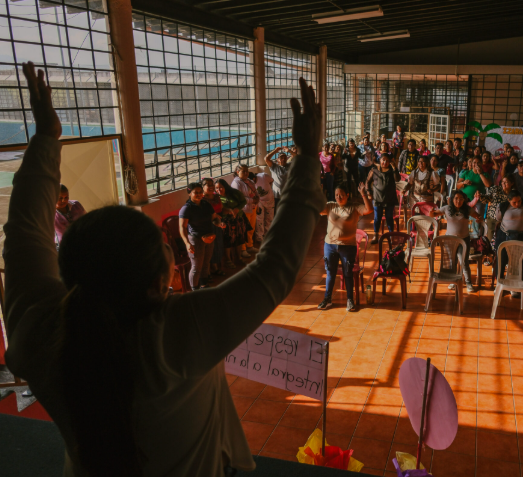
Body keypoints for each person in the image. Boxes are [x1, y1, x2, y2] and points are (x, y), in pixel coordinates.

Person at [5, 66, 326, 476]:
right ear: (160, 282)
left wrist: (45, 139)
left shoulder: (40, 333)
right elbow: (277, 267)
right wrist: (308, 156)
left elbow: (24, 235)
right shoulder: (177, 336)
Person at [319, 183, 373, 311]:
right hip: (330, 245)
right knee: (330, 272)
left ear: (348, 195)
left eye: (342, 195)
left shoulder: (354, 207)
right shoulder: (331, 206)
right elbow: (318, 209)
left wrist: (363, 194)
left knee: (348, 273)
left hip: (348, 247)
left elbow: (369, 209)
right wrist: (319, 193)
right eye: (336, 195)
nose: (339, 197)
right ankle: (327, 299)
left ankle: (350, 300)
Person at [429, 190, 481, 293]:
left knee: (464, 262)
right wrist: (431, 212)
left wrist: (479, 219)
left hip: (463, 240)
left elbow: (478, 217)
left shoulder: (467, 209)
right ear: (452, 199)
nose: (458, 201)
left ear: (464, 200)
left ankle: (468, 282)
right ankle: (453, 280)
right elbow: (433, 214)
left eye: (461, 199)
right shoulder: (447, 209)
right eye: (456, 198)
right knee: (452, 261)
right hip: (450, 240)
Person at [179, 182, 224, 291]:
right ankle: (194, 290)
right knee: (196, 267)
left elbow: (214, 218)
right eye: (196, 192)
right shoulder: (187, 208)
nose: (199, 194)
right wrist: (187, 243)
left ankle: (204, 286)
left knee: (205, 264)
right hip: (195, 239)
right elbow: (182, 227)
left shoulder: (206, 204)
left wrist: (219, 223)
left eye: (200, 192)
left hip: (209, 237)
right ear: (189, 193)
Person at [493, 191, 523, 287]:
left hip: (521, 235)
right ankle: (499, 283)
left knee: (518, 260)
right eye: (514, 202)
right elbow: (498, 218)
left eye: (519, 201)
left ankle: (515, 283)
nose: (517, 204)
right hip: (505, 235)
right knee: (502, 259)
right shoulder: (503, 206)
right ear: (508, 200)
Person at [365, 153, 398, 245]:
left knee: (389, 218)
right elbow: (367, 181)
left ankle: (391, 236)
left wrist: (395, 168)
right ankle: (376, 235)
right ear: (380, 160)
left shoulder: (392, 170)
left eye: (387, 160)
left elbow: (397, 179)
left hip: (390, 198)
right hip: (377, 198)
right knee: (377, 218)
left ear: (390, 161)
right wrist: (368, 192)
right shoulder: (374, 170)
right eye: (383, 160)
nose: (385, 162)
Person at [477, 175, 515, 242]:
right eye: (502, 182)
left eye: (506, 182)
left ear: (512, 183)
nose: (503, 183)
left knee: (501, 240)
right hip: (492, 217)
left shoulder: (513, 194)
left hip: (505, 221)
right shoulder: (495, 189)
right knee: (490, 239)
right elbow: (487, 199)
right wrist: (480, 196)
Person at [232, 163, 259, 255]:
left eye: (247, 171)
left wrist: (257, 201)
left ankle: (250, 246)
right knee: (243, 230)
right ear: (237, 172)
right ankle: (243, 249)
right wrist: (252, 200)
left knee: (251, 229)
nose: (246, 173)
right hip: (244, 210)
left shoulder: (249, 181)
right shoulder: (236, 183)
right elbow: (240, 198)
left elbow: (255, 192)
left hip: (253, 208)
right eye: (243, 171)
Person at [201, 177, 226, 277]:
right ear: (202, 187)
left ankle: (215, 268)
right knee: (208, 249)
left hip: (218, 224)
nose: (211, 187)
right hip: (208, 226)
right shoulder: (201, 200)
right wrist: (214, 217)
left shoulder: (216, 197)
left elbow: (221, 209)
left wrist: (229, 210)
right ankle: (207, 272)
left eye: (212, 184)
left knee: (217, 246)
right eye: (208, 185)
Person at [252, 170, 274, 243]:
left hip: (270, 200)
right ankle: (259, 237)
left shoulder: (263, 176)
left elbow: (271, 180)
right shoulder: (249, 184)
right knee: (259, 219)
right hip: (259, 202)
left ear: (254, 178)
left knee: (269, 218)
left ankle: (268, 235)